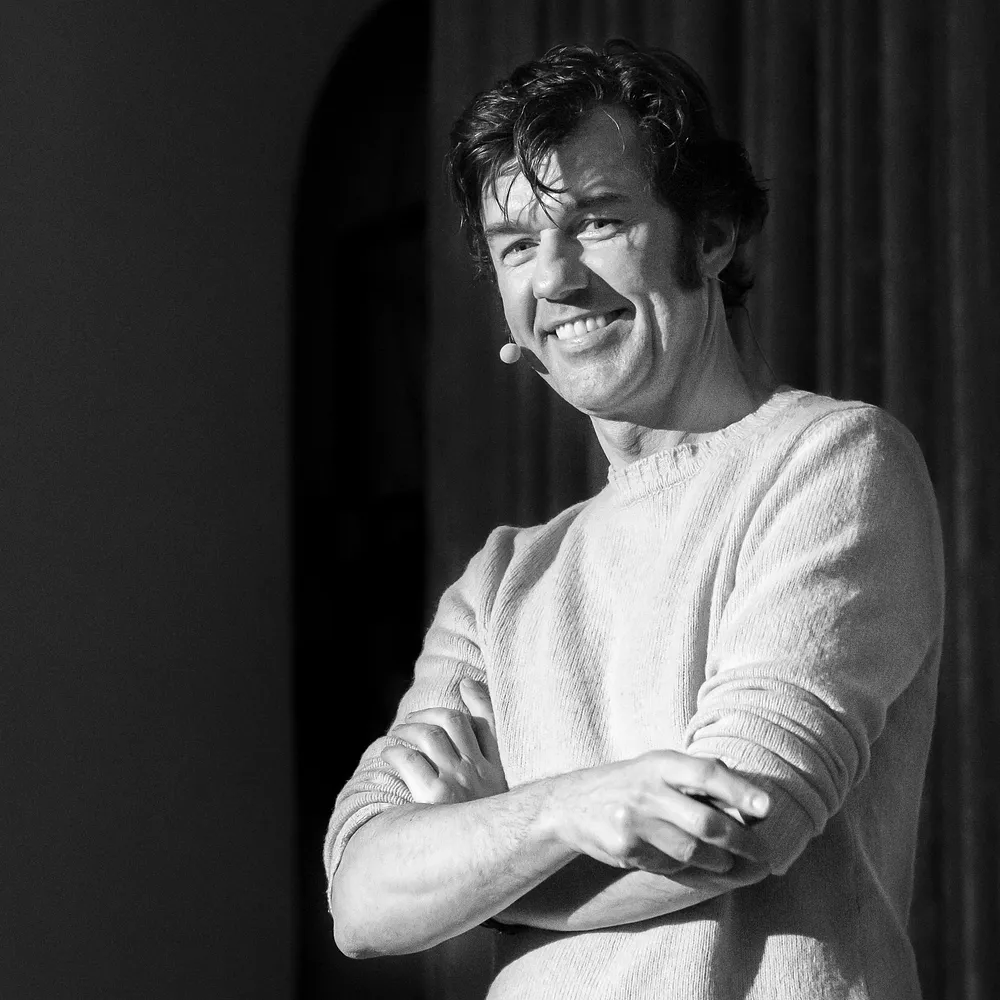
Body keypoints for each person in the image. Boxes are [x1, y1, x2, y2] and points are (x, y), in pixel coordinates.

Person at [326, 40, 944, 999]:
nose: (555, 278)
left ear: (713, 236)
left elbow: (735, 825)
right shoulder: (498, 581)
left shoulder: (834, 459)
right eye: (516, 245)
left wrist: (474, 871)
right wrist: (569, 809)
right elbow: (363, 902)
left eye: (599, 222)